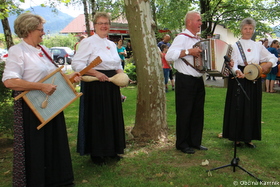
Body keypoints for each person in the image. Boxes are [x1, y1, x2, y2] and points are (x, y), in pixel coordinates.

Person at [1, 12, 81, 186]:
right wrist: (41, 87)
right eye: (41, 30)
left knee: (54, 144)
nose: (44, 33)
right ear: (29, 30)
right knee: (36, 146)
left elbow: (50, 77)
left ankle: (57, 180)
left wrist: (69, 77)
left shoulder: (42, 50)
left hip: (50, 106)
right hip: (31, 108)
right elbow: (9, 81)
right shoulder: (18, 51)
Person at [71, 12, 126, 165]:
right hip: (94, 84)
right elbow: (77, 64)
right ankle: (97, 153)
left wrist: (123, 78)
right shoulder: (88, 42)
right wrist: (96, 73)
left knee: (111, 117)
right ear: (94, 26)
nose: (104, 26)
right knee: (98, 118)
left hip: (111, 84)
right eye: (100, 23)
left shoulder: (112, 44)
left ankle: (112, 150)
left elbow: (117, 66)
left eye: (106, 23)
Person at [222, 18, 277, 148]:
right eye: (245, 28)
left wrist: (268, 64)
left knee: (252, 106)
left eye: (250, 28)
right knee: (238, 106)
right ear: (241, 30)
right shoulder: (235, 45)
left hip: (255, 77)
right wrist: (236, 72)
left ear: (253, 30)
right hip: (240, 76)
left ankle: (249, 137)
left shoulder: (258, 45)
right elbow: (233, 63)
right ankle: (236, 138)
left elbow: (272, 57)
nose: (248, 31)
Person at [165, 11, 208, 154]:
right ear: (189, 22)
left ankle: (195, 142)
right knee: (184, 112)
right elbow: (169, 56)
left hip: (198, 80)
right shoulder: (181, 38)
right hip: (185, 80)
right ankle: (182, 144)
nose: (200, 23)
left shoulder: (198, 39)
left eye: (200, 20)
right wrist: (189, 51)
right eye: (198, 20)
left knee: (197, 112)